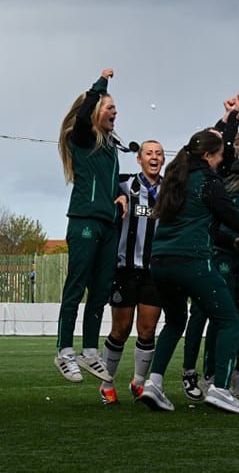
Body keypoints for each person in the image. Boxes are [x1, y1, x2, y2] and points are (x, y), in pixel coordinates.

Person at [141, 130, 239, 414]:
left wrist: (231, 241)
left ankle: (153, 384)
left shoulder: (174, 176)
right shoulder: (208, 181)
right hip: (191, 261)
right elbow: (235, 218)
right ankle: (220, 388)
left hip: (159, 262)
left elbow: (195, 222)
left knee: (174, 321)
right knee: (230, 321)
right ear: (207, 156)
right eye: (219, 155)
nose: (222, 160)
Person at [55, 68, 126, 383]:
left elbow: (109, 184)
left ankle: (89, 351)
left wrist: (120, 199)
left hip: (108, 225)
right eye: (109, 107)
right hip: (84, 221)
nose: (115, 112)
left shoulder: (110, 146)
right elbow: (82, 116)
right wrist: (100, 85)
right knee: (76, 286)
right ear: (95, 109)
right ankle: (64, 351)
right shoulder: (81, 137)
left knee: (100, 292)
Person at [99, 140, 165, 404]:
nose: (154, 157)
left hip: (154, 271)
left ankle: (138, 383)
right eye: (149, 153)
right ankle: (106, 383)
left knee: (147, 329)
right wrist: (119, 195)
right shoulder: (125, 183)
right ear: (139, 159)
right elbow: (105, 184)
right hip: (125, 269)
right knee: (121, 329)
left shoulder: (169, 190)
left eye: (159, 154)